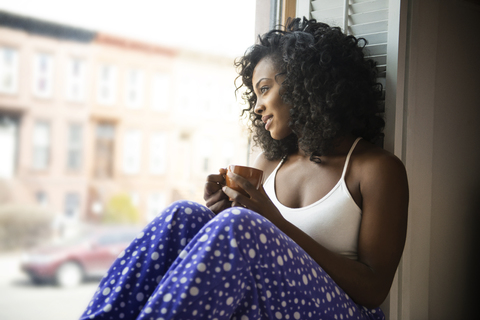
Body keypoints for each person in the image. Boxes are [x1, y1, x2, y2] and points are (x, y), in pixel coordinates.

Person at [79, 18, 408, 320]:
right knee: (184, 215)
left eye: (264, 88)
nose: (257, 105)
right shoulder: (269, 163)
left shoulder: (375, 169)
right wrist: (219, 212)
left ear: (305, 84)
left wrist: (271, 223)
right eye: (254, 94)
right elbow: (246, 253)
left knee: (241, 225)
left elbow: (373, 290)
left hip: (343, 312)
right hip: (270, 303)